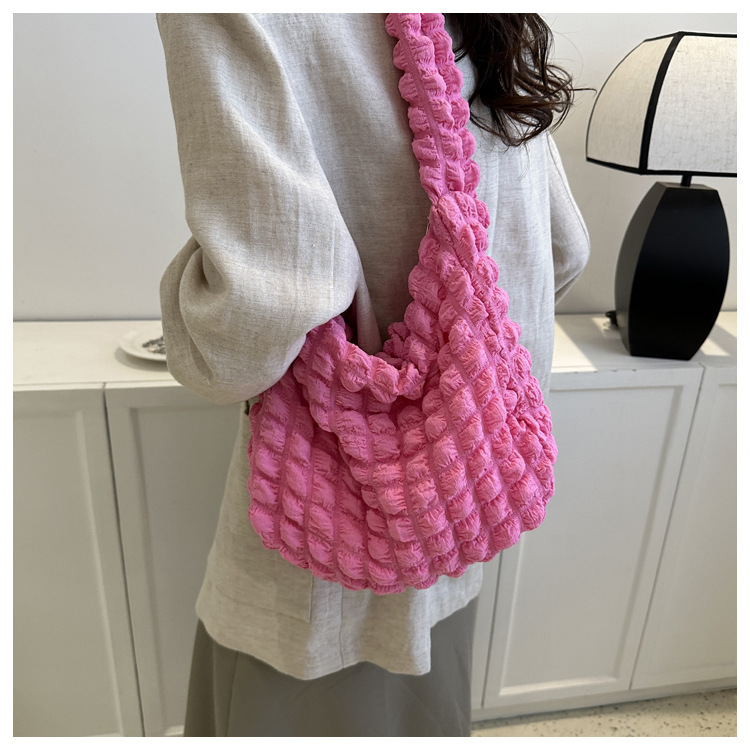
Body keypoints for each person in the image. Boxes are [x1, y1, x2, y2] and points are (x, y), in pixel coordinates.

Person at [156, 13, 590, 737]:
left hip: (316, 583)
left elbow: (254, 317)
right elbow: (565, 248)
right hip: (460, 504)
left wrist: (183, 304)